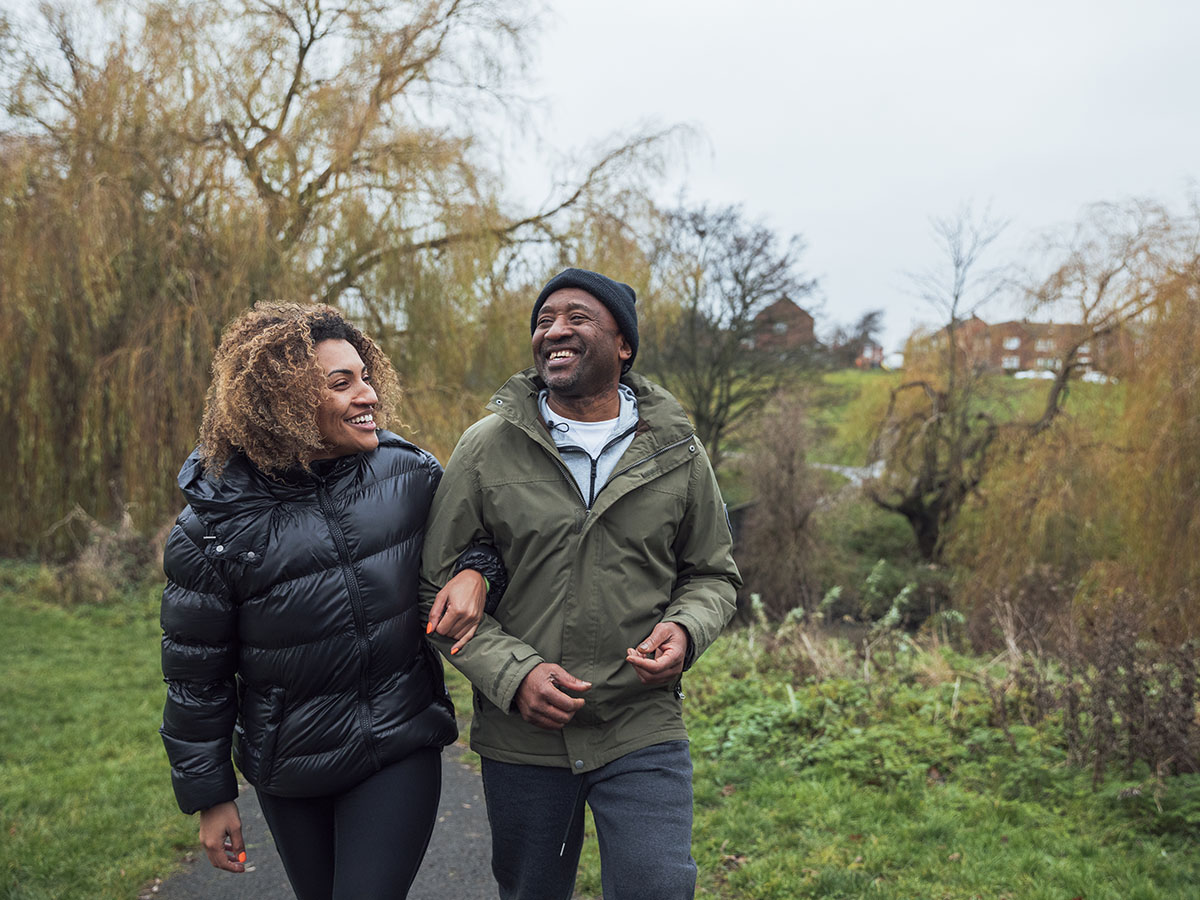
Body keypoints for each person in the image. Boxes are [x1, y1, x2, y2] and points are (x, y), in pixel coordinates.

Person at [159, 302, 505, 900]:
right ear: (281, 403)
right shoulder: (212, 524)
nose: (367, 393)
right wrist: (211, 796)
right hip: (289, 765)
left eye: (365, 375)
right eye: (340, 383)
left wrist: (476, 570)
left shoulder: (409, 474)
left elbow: (486, 538)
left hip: (399, 743)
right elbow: (197, 675)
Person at [419, 268, 741, 900]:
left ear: (624, 345)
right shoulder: (486, 448)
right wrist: (514, 677)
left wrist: (684, 629)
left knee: (658, 886)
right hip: (524, 737)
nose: (555, 331)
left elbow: (712, 574)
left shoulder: (678, 450)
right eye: (544, 321)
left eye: (576, 317)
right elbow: (434, 586)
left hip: (640, 723)